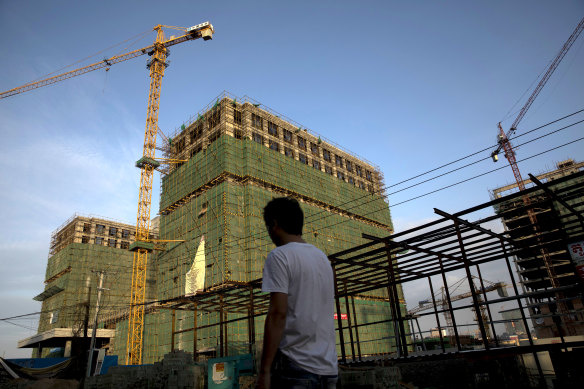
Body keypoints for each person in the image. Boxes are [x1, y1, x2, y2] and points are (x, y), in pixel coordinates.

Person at [256, 197, 338, 389]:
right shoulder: (322, 259)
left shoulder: (279, 255)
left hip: (296, 367)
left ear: (274, 224)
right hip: (329, 368)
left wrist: (264, 371)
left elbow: (278, 314)